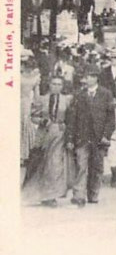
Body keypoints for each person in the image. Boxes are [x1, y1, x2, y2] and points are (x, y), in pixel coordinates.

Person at [64, 65, 116, 207]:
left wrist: (106, 135)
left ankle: (93, 194)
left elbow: (111, 118)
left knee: (97, 167)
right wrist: (70, 138)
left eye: (87, 77)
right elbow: (72, 119)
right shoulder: (79, 95)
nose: (85, 80)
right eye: (85, 77)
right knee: (81, 166)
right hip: (82, 137)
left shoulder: (106, 94)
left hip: (99, 138)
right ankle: (79, 195)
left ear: (95, 78)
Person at [25, 75, 75, 206]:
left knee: (55, 163)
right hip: (44, 134)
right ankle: (42, 194)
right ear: (49, 85)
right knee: (42, 163)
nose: (56, 87)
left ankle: (52, 194)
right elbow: (33, 116)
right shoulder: (42, 99)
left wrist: (67, 128)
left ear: (62, 87)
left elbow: (71, 118)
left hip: (59, 133)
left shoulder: (67, 100)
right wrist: (42, 120)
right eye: (54, 84)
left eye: (59, 84)